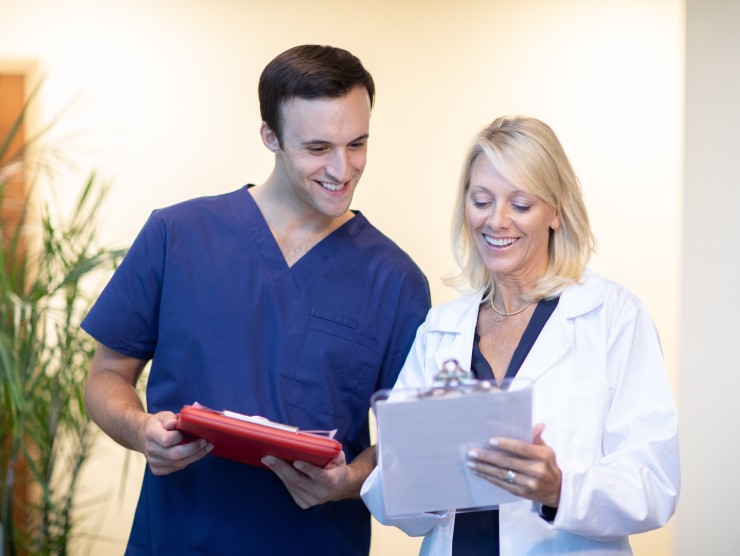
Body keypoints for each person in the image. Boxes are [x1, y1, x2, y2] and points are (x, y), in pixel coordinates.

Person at [82, 44, 430, 555]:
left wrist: (350, 479)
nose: (343, 168)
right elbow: (106, 376)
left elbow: (411, 438)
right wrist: (140, 431)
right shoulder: (177, 235)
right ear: (270, 137)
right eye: (318, 148)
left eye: (357, 144)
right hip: (177, 540)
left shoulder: (395, 280)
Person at [361, 116, 680, 555]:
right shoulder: (441, 329)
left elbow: (654, 484)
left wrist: (558, 489)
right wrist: (420, 477)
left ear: (557, 211)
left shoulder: (613, 318)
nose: (497, 221)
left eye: (521, 205)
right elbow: (385, 495)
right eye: (482, 200)